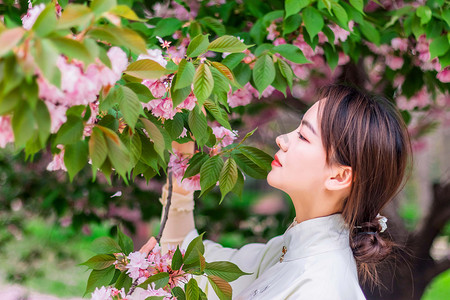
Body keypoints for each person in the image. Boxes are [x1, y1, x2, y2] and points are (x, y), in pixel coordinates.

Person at [140, 84, 411, 299]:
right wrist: (183, 160)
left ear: (339, 176)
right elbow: (183, 258)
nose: (282, 140)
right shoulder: (288, 251)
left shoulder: (319, 287)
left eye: (304, 136)